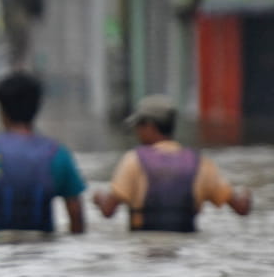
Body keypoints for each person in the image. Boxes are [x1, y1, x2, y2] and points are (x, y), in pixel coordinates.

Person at [94, 95, 253, 231]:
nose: (136, 132)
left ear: (149, 126)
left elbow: (108, 211)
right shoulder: (201, 164)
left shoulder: (133, 160)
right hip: (185, 251)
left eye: (138, 126)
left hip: (143, 254)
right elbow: (241, 208)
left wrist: (98, 197)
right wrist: (246, 193)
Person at [0, 72, 87, 235]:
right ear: (38, 107)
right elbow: (76, 216)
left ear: (2, 111)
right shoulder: (58, 154)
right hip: (45, 255)